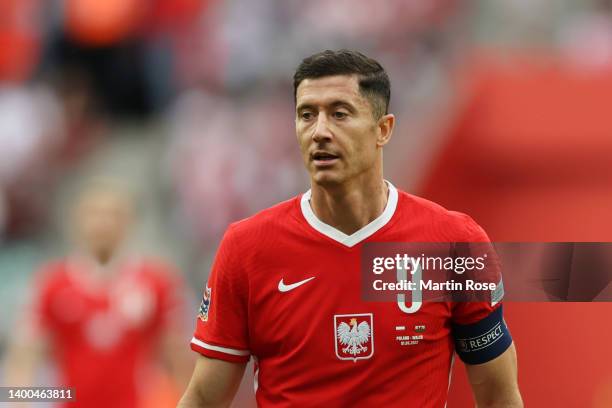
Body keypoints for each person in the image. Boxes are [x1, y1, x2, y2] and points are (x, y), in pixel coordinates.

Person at [178, 50, 522, 407]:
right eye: (306, 115)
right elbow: (204, 398)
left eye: (339, 114)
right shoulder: (247, 248)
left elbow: (499, 396)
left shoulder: (454, 243)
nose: (320, 132)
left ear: (383, 129)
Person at [4, 180, 190, 408]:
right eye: (94, 214)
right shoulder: (53, 283)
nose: (103, 223)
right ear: (76, 221)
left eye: (114, 214)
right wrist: (17, 403)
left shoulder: (156, 282)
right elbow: (24, 358)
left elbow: (178, 356)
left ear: (130, 221)